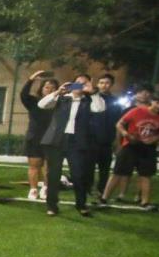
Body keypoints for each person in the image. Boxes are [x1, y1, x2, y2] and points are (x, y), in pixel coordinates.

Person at [37, 74, 106, 216]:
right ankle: (52, 206)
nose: (80, 86)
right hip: (57, 140)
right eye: (77, 83)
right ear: (72, 84)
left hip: (77, 142)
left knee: (79, 175)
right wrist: (57, 92)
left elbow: (99, 109)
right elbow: (41, 104)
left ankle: (81, 205)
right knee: (53, 175)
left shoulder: (89, 100)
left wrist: (93, 92)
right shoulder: (62, 98)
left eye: (84, 83)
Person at [99, 91, 159, 211]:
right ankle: (104, 198)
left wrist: (154, 138)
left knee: (146, 175)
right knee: (118, 172)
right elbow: (120, 124)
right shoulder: (137, 111)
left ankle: (145, 202)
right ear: (152, 101)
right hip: (131, 145)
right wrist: (126, 134)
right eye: (157, 102)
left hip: (148, 148)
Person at [21, 71, 59, 200]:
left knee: (48, 166)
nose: (50, 90)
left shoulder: (59, 103)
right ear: (41, 89)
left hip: (52, 138)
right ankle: (33, 189)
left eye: (53, 88)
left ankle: (46, 188)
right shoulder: (33, 101)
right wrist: (31, 79)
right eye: (47, 87)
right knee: (34, 165)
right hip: (34, 137)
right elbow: (23, 94)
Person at [89, 73, 122, 195]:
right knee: (89, 167)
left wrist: (117, 141)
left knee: (105, 168)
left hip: (108, 140)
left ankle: (101, 189)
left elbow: (119, 121)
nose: (104, 85)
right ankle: (88, 188)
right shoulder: (91, 98)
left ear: (112, 85)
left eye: (107, 83)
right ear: (98, 84)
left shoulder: (116, 102)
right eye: (102, 83)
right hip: (92, 139)